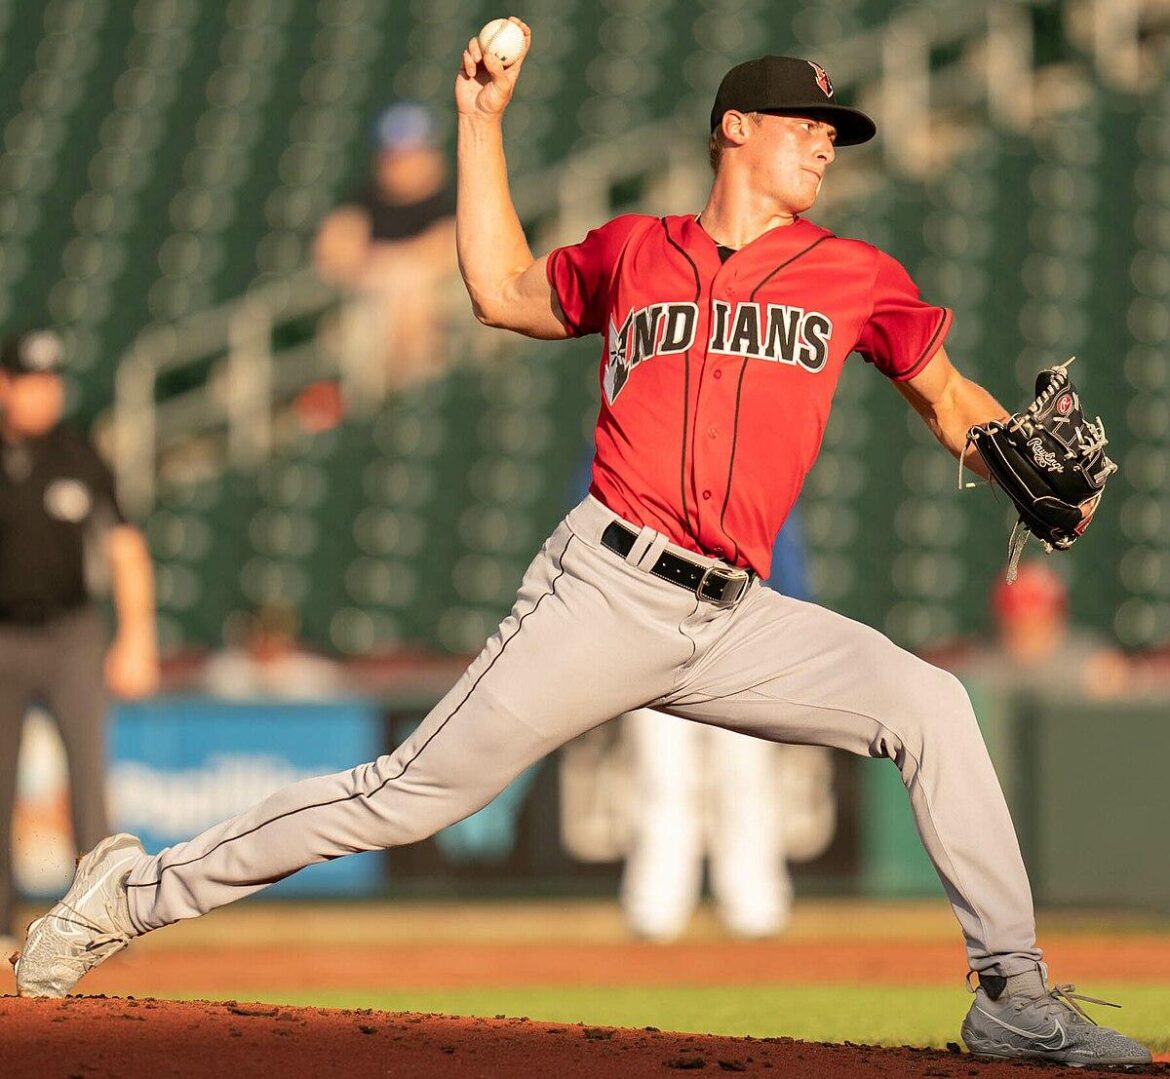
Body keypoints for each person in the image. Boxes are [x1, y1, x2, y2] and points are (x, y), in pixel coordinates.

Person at [15, 25, 1150, 1066]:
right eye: (806, 125)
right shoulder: (634, 250)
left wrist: (1014, 452)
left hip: (739, 615)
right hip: (605, 585)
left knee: (933, 706)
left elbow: (947, 394)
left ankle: (1013, 993)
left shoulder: (855, 273)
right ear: (735, 129)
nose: (825, 145)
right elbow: (502, 290)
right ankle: (129, 891)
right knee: (403, 793)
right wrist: (481, 122)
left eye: (834, 133)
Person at [0, 329, 158, 956]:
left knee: (89, 786)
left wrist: (137, 636)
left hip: (71, 635)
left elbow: (125, 544)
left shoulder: (78, 451)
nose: (48, 392)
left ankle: (99, 927)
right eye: (34, 380)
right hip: (2, 636)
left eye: (54, 380)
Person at [621, 514, 818, 941]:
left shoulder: (746, 461)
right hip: (652, 633)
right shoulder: (632, 452)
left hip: (739, 633)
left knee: (745, 777)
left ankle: (756, 909)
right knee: (663, 779)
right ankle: (655, 911)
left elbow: (782, 547)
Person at [313, 101, 457, 394]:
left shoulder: (454, 198)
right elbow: (332, 251)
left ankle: (414, 390)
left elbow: (445, 248)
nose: (402, 165)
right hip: (370, 307)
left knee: (413, 293)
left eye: (412, 154)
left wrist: (386, 265)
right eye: (394, 156)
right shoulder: (362, 201)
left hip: (438, 305)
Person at [943, 561, 1129, 699]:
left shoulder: (1090, 664)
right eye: (1018, 622)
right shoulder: (979, 669)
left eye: (1037, 621)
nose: (1027, 629)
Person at [201, 602, 343, 701]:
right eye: (264, 632)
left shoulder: (315, 672)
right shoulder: (226, 669)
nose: (271, 641)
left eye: (277, 632)